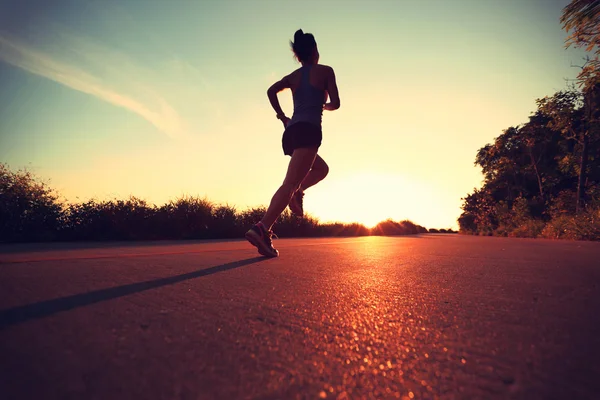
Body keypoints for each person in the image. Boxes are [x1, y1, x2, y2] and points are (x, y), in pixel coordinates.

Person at [245, 29, 341, 257]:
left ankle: (298, 193)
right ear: (315, 50)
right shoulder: (326, 71)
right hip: (309, 130)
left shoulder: (293, 76)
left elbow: (271, 91)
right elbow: (336, 103)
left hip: (292, 131)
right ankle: (262, 228)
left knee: (321, 169)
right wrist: (323, 106)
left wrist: (282, 116)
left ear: (298, 55)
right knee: (289, 183)